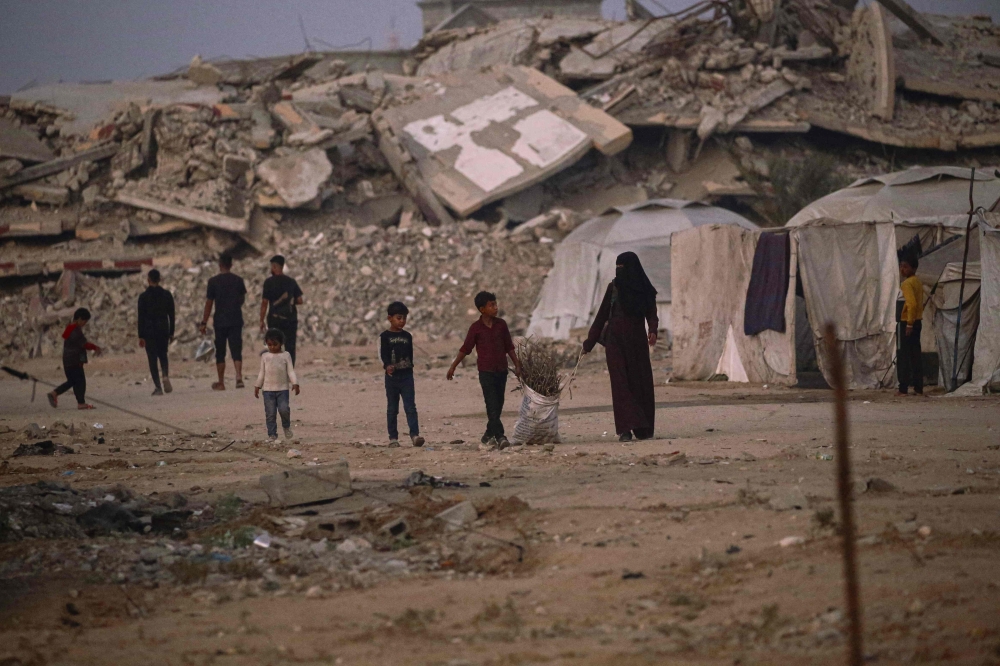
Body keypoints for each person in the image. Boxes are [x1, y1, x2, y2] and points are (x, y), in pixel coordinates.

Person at [582, 251, 658, 442]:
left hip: (637, 343)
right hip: (615, 343)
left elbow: (651, 313)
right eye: (617, 267)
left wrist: (653, 330)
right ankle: (625, 429)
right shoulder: (614, 287)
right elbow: (601, 316)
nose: (619, 271)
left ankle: (641, 427)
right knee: (620, 384)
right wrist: (589, 343)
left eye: (622, 267)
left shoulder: (645, 289)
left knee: (639, 383)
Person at [447, 291, 521, 448]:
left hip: (501, 370)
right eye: (491, 305)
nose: (496, 307)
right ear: (482, 309)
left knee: (498, 404)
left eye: (495, 304)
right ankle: (500, 436)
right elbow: (466, 348)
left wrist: (517, 364)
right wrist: (453, 366)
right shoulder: (476, 328)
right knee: (491, 404)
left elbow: (509, 347)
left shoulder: (501, 325)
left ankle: (488, 434)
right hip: (486, 372)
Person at [200, 253, 247, 390]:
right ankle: (239, 377)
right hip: (236, 319)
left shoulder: (213, 282)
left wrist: (204, 322)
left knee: (220, 351)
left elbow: (209, 303)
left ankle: (221, 382)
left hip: (220, 321)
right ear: (231, 265)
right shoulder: (238, 280)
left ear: (220, 265)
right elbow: (242, 299)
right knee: (236, 349)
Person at [380, 301, 424, 448]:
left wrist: (408, 366)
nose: (402, 321)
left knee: (410, 406)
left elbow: (409, 355)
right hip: (392, 378)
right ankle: (393, 438)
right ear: (390, 318)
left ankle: (415, 435)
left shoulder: (407, 336)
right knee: (392, 408)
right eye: (399, 318)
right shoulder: (385, 336)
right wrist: (387, 367)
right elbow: (384, 355)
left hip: (407, 377)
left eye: (404, 318)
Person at [47, 308, 102, 410]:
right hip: (74, 360)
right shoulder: (75, 330)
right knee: (78, 381)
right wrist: (95, 347)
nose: (85, 324)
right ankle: (56, 393)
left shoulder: (70, 328)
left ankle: (80, 402)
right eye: (84, 321)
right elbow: (84, 344)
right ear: (80, 319)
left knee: (75, 381)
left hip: (68, 360)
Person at [253, 329, 300, 441]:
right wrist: (257, 385)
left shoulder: (286, 355)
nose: (272, 347)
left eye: (275, 344)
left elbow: (290, 371)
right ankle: (272, 434)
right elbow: (262, 373)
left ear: (281, 343)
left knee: (284, 409)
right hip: (268, 390)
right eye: (269, 345)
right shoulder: (265, 357)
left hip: (282, 389)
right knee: (270, 413)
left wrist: (295, 383)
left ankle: (286, 426)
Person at [137, 268, 175, 396]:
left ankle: (158, 387)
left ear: (148, 280)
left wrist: (141, 335)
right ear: (159, 280)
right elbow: (172, 315)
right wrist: (171, 332)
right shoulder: (167, 295)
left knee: (152, 359)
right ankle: (165, 375)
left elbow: (140, 317)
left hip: (149, 331)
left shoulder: (143, 297)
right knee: (163, 355)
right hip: (163, 328)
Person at [259, 255, 303, 365]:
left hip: (274, 320)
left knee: (274, 346)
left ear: (274, 267)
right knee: (290, 347)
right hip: (290, 319)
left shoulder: (268, 282)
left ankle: (276, 370)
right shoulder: (291, 282)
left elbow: (264, 303)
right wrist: (291, 301)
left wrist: (261, 320)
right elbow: (300, 300)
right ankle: (289, 371)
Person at [897, 256, 924, 396]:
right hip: (918, 321)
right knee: (915, 355)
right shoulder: (917, 282)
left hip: (907, 322)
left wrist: (908, 323)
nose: (902, 269)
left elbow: (911, 304)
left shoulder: (907, 283)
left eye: (905, 266)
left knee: (904, 355)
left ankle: (903, 388)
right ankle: (918, 387)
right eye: (901, 266)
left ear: (913, 268)